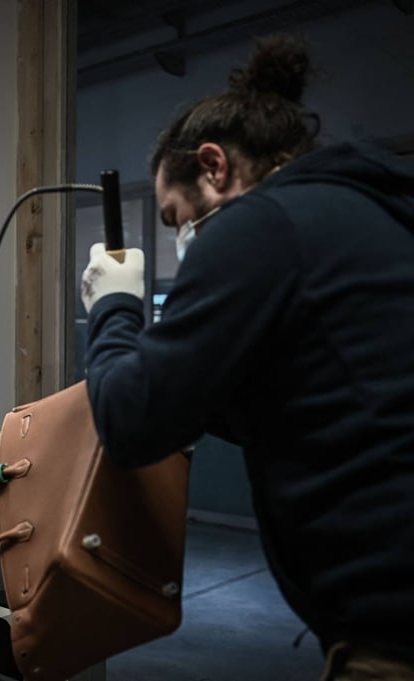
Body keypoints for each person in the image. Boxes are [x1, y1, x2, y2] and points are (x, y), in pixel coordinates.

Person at [79, 34, 414, 680]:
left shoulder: (262, 225)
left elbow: (129, 421)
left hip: (392, 633)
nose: (182, 239)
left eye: (176, 218)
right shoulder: (370, 213)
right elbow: (308, 401)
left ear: (214, 167)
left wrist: (114, 305)